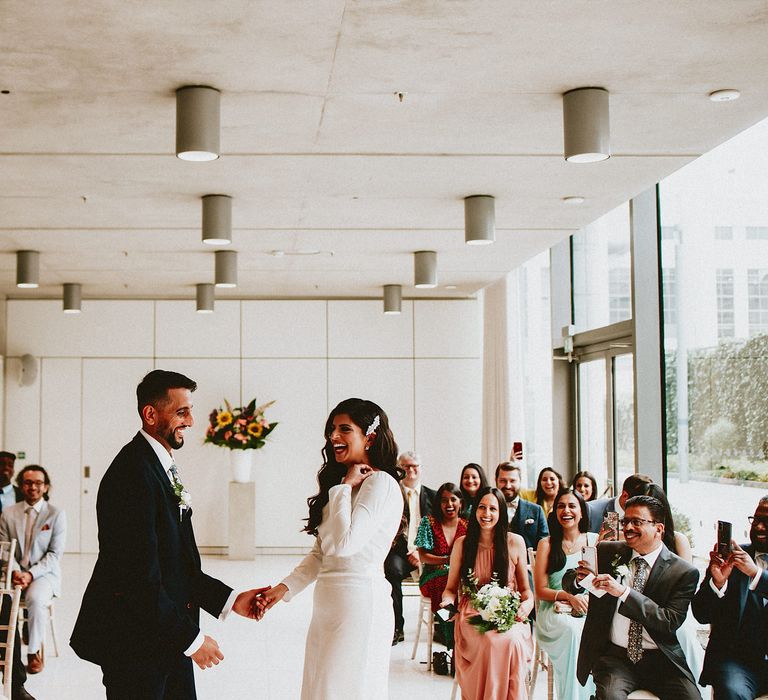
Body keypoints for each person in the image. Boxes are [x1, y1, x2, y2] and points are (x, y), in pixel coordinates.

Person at [70, 370, 267, 700]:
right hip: (135, 644)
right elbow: (137, 578)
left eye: (190, 410)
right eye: (181, 411)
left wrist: (231, 601)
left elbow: (176, 564)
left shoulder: (158, 464)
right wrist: (191, 640)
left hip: (165, 634)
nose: (190, 421)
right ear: (150, 414)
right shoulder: (132, 473)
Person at [256, 398, 403, 700]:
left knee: (346, 691)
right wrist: (281, 590)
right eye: (332, 430)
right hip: (329, 604)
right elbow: (321, 553)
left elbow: (344, 546)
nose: (333, 437)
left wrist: (344, 488)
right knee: (320, 689)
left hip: (360, 604)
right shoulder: (342, 486)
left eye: (344, 430)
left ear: (370, 437)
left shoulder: (381, 484)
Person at [576, 495, 701, 700]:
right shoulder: (608, 551)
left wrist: (623, 593)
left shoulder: (683, 572)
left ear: (658, 528)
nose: (628, 527)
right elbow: (571, 580)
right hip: (616, 658)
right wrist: (578, 579)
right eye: (626, 521)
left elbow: (669, 621)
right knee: (610, 697)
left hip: (661, 661)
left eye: (637, 522)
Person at [441, 487, 534, 700]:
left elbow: (527, 591)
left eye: (493, 508)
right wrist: (447, 604)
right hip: (472, 612)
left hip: (508, 611)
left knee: (511, 641)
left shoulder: (515, 542)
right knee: (489, 642)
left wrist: (526, 606)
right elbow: (450, 588)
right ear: (475, 510)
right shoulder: (463, 544)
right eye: (482, 507)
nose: (487, 514)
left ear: (501, 513)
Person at [691, 496, 768, 700]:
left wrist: (756, 574)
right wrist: (717, 583)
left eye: (767, 521)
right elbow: (701, 614)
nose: (759, 527)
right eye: (756, 519)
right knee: (731, 693)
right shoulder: (732, 558)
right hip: (739, 662)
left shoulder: (749, 566)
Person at [0, 465, 66, 675]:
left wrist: (30, 574)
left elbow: (54, 555)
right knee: (2, 599)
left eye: (38, 483)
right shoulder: (8, 513)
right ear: (20, 485)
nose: (33, 487)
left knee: (36, 599)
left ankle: (33, 651)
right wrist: (17, 571)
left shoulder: (56, 514)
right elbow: (3, 546)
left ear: (46, 487)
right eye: (28, 482)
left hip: (44, 574)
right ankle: (6, 651)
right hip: (13, 571)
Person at [534, 489, 596, 700]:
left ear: (581, 512)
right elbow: (541, 590)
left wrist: (587, 599)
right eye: (561, 506)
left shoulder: (594, 540)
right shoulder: (547, 544)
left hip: (588, 608)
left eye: (572, 506)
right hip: (555, 612)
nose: (566, 510)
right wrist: (569, 597)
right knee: (573, 632)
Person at [641, 483, 704, 686]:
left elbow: (686, 582)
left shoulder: (677, 540)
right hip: (637, 607)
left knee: (681, 633)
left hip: (671, 608)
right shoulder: (628, 542)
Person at [384, 450, 436, 645]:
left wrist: (421, 551)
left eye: (415, 466)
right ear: (400, 469)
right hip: (399, 551)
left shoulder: (434, 496)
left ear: (421, 469)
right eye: (406, 466)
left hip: (426, 552)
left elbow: (438, 529)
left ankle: (440, 626)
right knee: (392, 571)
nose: (411, 470)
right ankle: (397, 627)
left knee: (444, 572)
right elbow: (388, 528)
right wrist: (409, 552)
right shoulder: (391, 494)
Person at [415, 482, 467, 612]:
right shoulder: (428, 522)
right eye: (444, 500)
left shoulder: (467, 526)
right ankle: (445, 624)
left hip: (459, 576)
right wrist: (447, 560)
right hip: (432, 576)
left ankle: (462, 623)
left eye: (453, 499)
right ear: (438, 503)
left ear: (460, 503)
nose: (449, 504)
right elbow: (423, 557)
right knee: (444, 581)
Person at [495, 461, 548, 551]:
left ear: (520, 481)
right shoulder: (487, 510)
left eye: (512, 481)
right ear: (496, 481)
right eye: (503, 481)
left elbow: (544, 546)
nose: (508, 486)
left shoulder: (536, 510)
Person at [586, 473, 653, 534]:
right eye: (638, 503)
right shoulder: (591, 511)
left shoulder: (649, 515)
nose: (643, 508)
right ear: (625, 495)